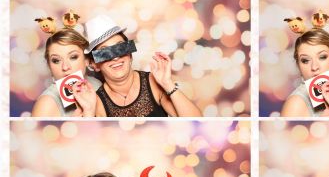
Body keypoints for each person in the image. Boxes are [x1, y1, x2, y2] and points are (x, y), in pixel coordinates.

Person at [73, 15, 202, 118]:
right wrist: (88, 113)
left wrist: (168, 84)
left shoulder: (153, 83)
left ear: (130, 54)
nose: (115, 57)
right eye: (104, 52)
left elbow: (197, 121)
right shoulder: (96, 102)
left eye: (120, 48)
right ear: (94, 64)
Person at [31, 28, 100, 117]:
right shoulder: (46, 104)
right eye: (56, 60)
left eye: (73, 57)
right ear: (49, 65)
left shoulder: (97, 84)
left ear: (86, 60)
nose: (65, 67)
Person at [280, 28, 329, 117]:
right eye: (305, 60)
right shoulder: (295, 104)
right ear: (298, 66)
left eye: (322, 57)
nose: (314, 67)